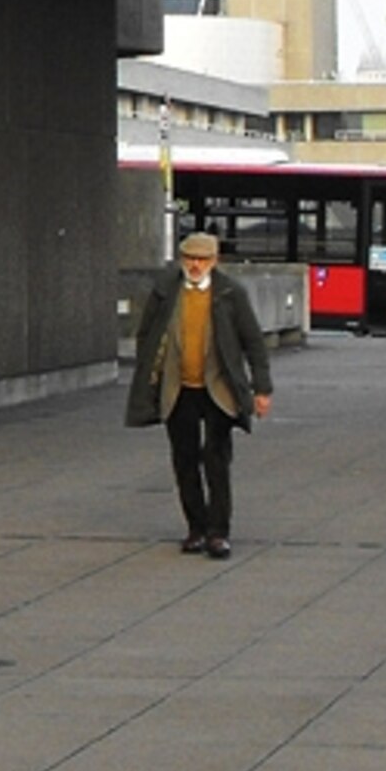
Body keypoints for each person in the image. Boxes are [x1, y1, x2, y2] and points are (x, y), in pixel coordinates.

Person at [126, 231, 273, 558]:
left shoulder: (230, 294)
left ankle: (219, 532)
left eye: (202, 259)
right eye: (190, 258)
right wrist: (149, 373)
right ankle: (196, 528)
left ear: (214, 261)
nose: (195, 265)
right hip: (179, 388)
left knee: (216, 458)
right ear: (181, 259)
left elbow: (253, 343)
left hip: (218, 388)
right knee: (185, 459)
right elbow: (146, 335)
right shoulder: (166, 291)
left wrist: (261, 388)